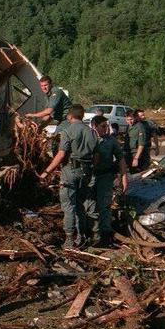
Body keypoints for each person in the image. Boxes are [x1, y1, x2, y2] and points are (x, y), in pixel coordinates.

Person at [39, 104, 98, 248]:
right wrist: (91, 170)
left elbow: (61, 154)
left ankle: (70, 239)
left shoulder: (67, 131)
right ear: (82, 116)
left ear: (69, 116)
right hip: (86, 172)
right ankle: (81, 237)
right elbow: (97, 156)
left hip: (70, 172)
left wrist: (47, 172)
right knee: (80, 205)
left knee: (69, 206)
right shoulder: (92, 132)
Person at [85, 115, 128, 247]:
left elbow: (120, 159)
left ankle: (105, 236)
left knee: (105, 206)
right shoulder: (88, 139)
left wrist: (124, 177)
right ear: (94, 126)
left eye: (107, 126)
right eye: (103, 126)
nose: (106, 129)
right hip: (90, 177)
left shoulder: (111, 141)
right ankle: (93, 235)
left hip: (105, 177)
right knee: (90, 206)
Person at [125, 109, 151, 173]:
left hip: (136, 154)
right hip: (129, 153)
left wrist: (136, 158)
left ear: (135, 118)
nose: (129, 121)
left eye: (131, 119)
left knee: (136, 173)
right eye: (127, 120)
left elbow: (141, 144)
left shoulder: (140, 127)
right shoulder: (129, 126)